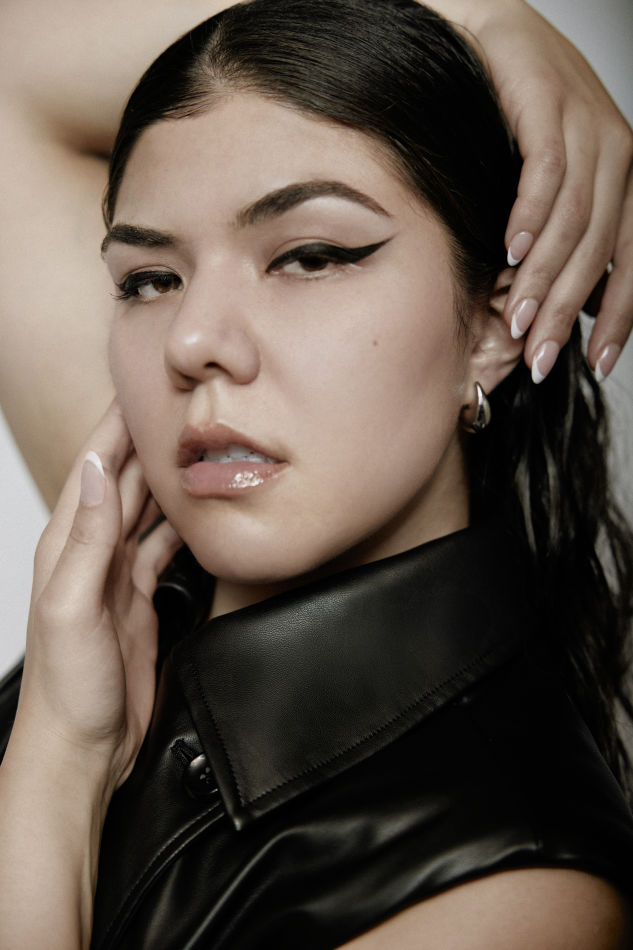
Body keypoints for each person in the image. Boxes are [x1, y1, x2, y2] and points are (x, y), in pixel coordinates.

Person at [0, 0, 632, 947]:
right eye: (149, 280)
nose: (193, 341)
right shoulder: (124, 587)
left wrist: (55, 773)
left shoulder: (512, 901)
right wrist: (479, 15)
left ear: (495, 326)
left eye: (309, 257)